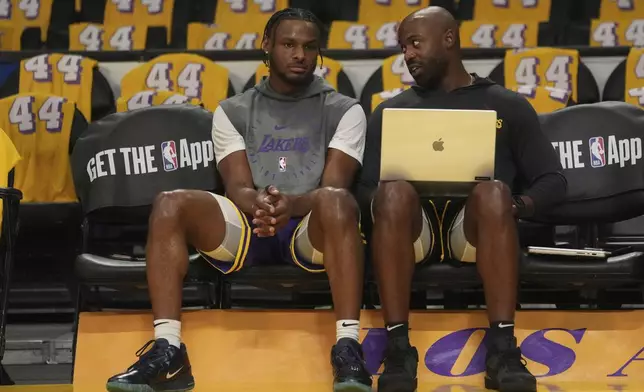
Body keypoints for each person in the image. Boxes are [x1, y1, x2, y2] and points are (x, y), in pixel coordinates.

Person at [106, 8, 372, 392]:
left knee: (337, 200)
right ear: (266, 45)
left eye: (310, 47)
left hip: (313, 232)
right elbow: (237, 187)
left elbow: (334, 186)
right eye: (289, 44)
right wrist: (262, 205)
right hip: (248, 225)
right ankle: (168, 349)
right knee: (169, 202)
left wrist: (288, 207)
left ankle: (348, 347)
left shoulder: (345, 110)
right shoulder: (232, 110)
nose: (300, 54)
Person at [357, 7, 568, 392]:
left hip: (475, 232)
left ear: (449, 39)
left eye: (416, 43)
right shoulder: (390, 111)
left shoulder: (507, 105)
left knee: (493, 192)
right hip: (412, 234)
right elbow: (365, 189)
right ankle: (399, 348)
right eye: (404, 47)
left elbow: (553, 180)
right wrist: (389, 201)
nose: (408, 55)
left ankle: (503, 349)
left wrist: (515, 207)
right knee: (392, 191)